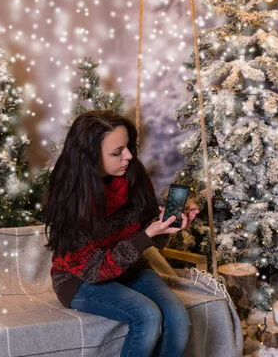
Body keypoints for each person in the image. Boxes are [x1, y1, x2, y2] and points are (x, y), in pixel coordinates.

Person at [44, 110, 200, 357]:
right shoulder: (70, 197)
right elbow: (95, 270)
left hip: (130, 268)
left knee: (178, 319)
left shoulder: (133, 174)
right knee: (147, 315)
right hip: (80, 280)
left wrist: (166, 225)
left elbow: (149, 236)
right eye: (116, 152)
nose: (128, 156)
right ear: (89, 157)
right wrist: (144, 236)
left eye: (127, 147)